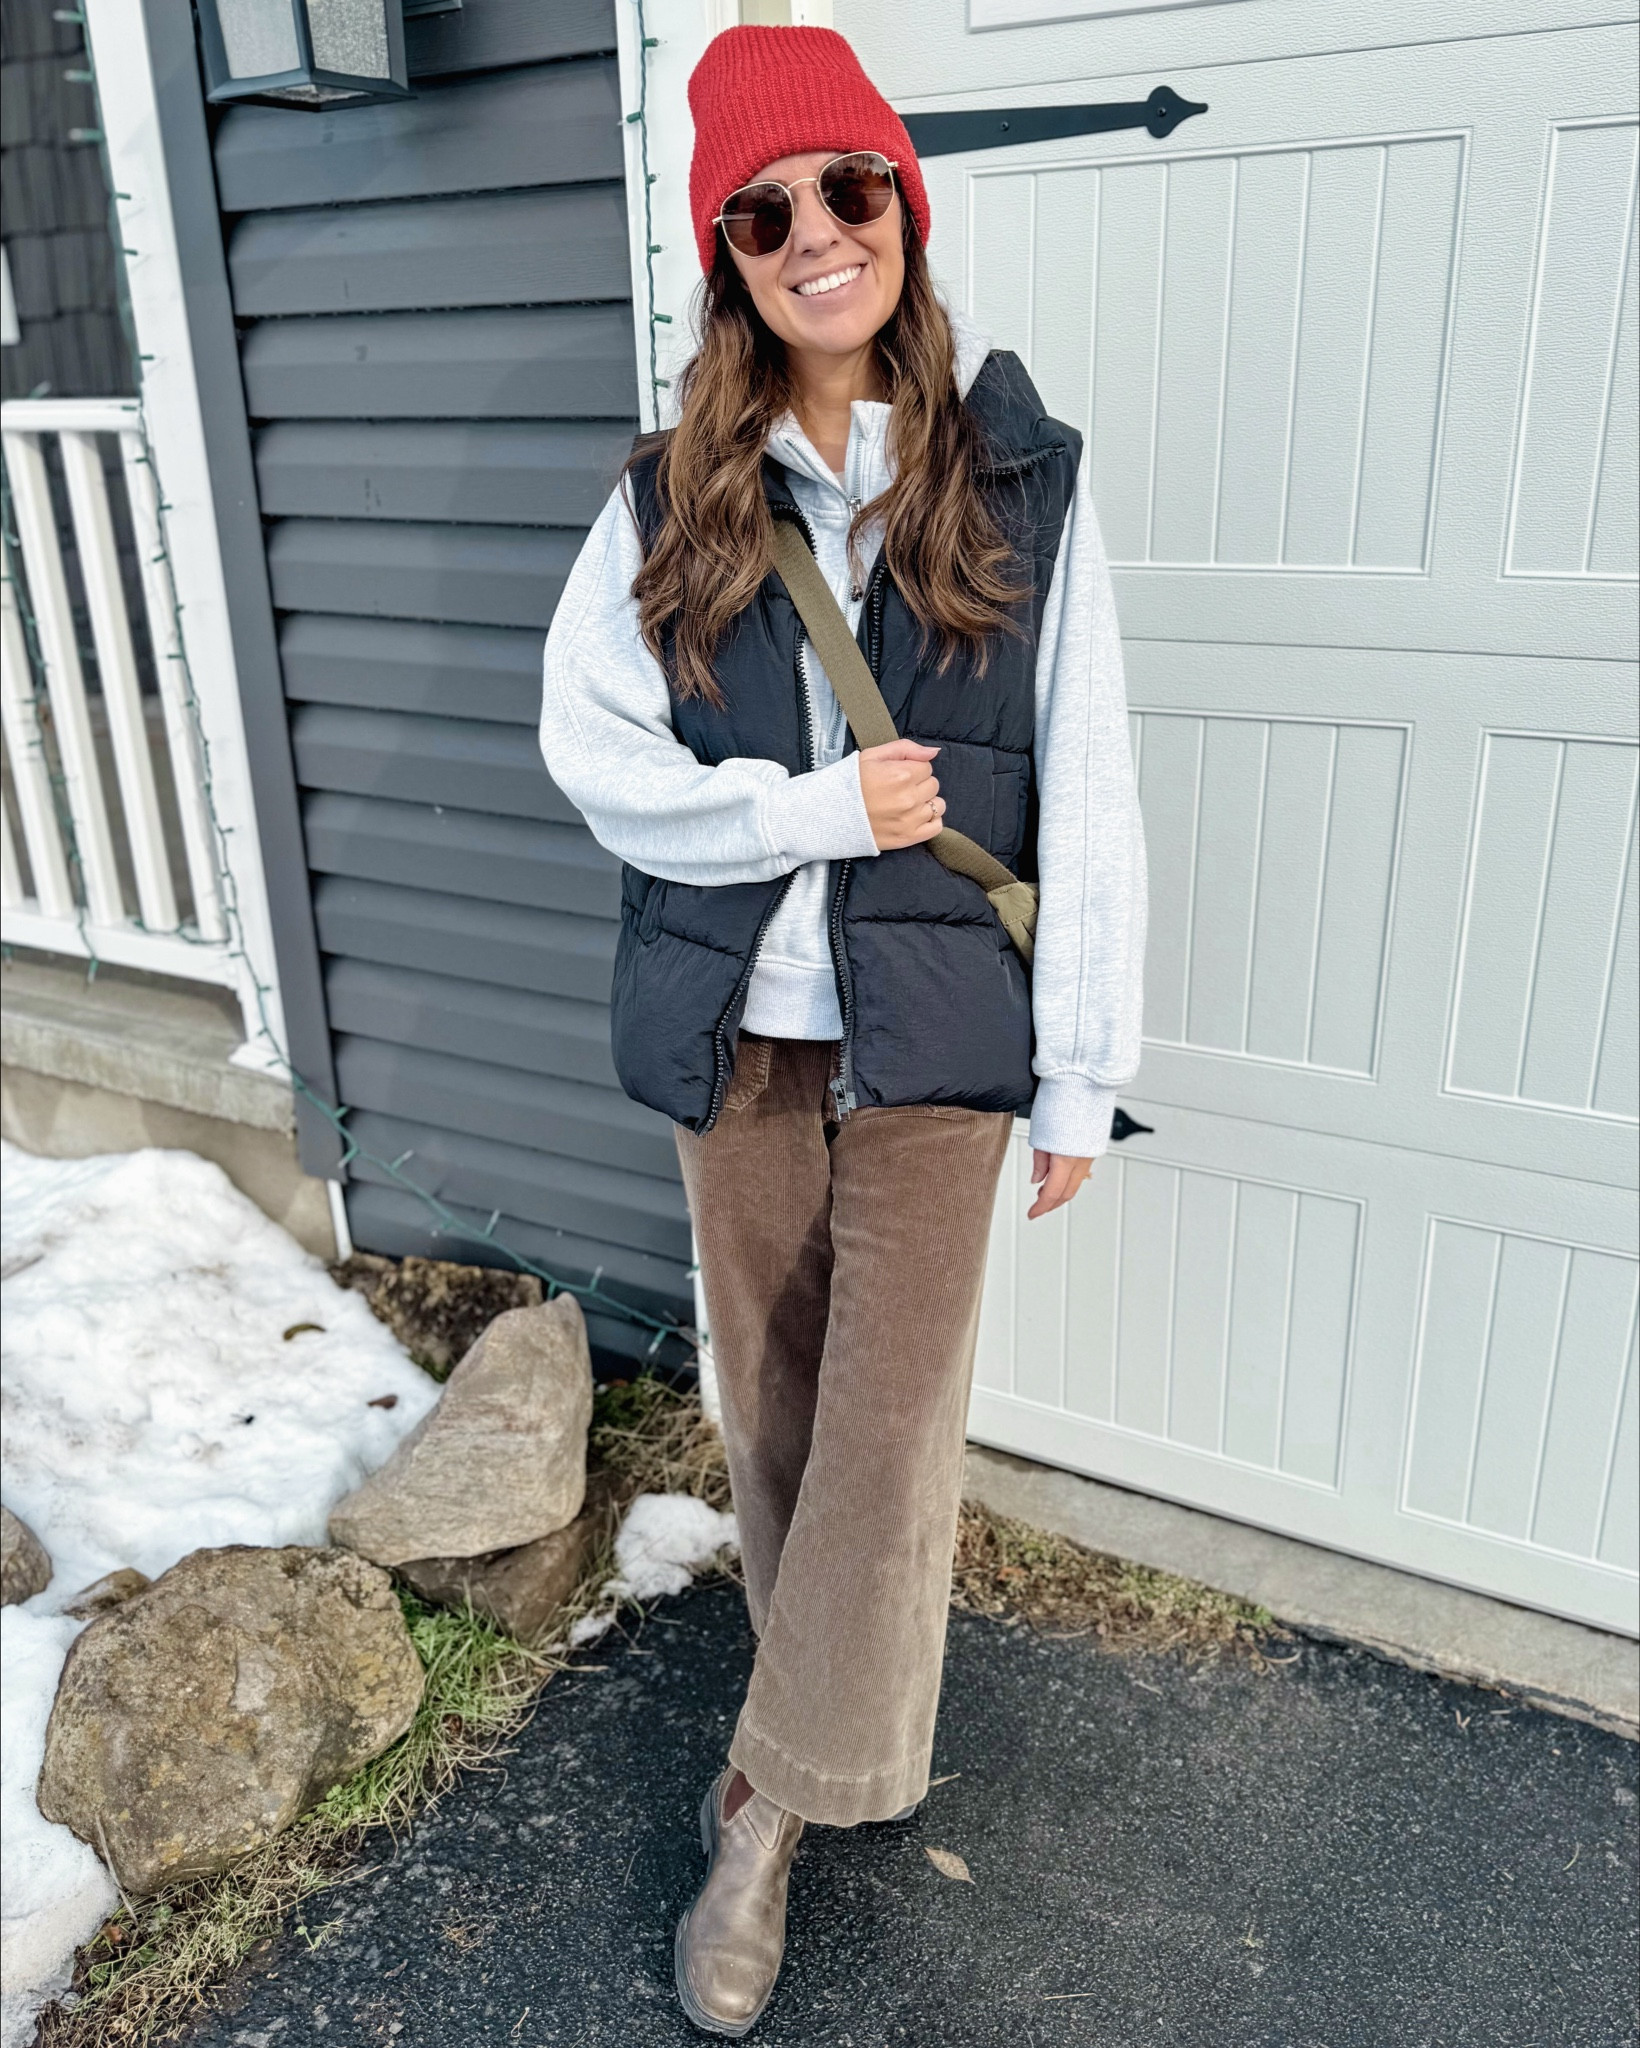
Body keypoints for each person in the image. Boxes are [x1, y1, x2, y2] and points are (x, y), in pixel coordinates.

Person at [540, 23, 1145, 2036]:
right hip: (743, 1040)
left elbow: (1092, 783)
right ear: (731, 255)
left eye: (848, 190)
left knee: (884, 1443)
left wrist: (1083, 1062)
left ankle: (762, 1814)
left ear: (904, 205)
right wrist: (799, 810)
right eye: (766, 209)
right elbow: (593, 759)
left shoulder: (1022, 482)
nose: (817, 233)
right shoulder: (666, 500)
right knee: (781, 1420)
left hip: (939, 1045)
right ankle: (818, 1748)